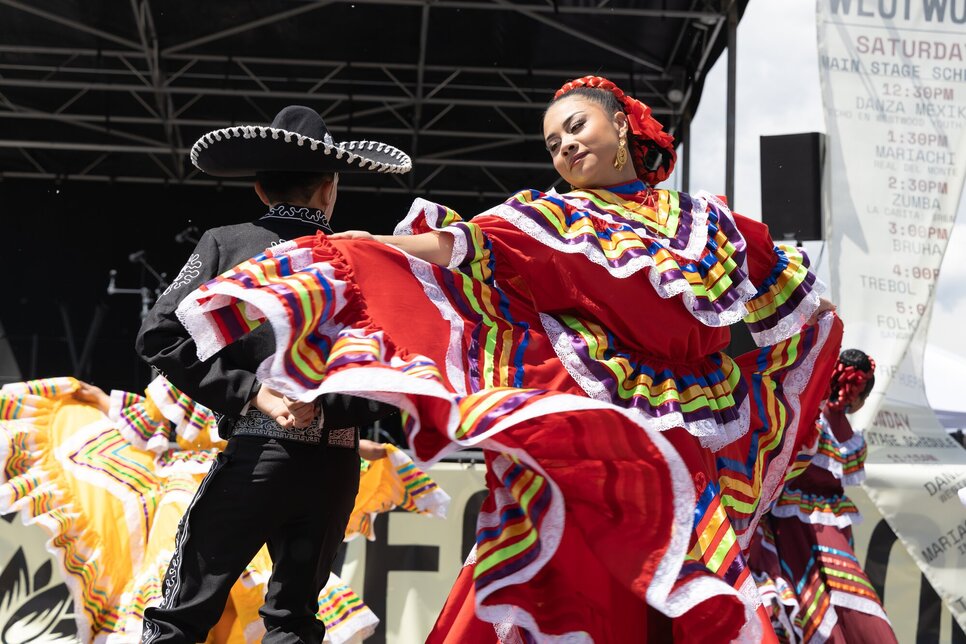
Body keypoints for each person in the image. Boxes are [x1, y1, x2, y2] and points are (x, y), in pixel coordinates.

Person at [173, 76, 844, 642]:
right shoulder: (550, 220)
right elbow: (458, 245)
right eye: (553, 142)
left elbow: (800, 308)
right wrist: (363, 247)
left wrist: (769, 396)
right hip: (592, 436)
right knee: (557, 574)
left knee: (669, 591)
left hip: (686, 439)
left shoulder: (711, 222)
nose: (567, 145)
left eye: (577, 127)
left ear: (622, 124)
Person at [134, 104, 412, 643]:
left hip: (259, 457)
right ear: (330, 189)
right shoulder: (362, 258)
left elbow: (158, 336)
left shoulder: (226, 243)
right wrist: (328, 407)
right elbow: (397, 371)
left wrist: (252, 393)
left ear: (260, 190)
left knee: (183, 613)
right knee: (294, 621)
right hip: (333, 465)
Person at [0, 375, 449, 643]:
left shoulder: (256, 368)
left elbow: (306, 419)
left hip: (246, 473)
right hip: (203, 480)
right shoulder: (207, 373)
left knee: (245, 592)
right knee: (193, 582)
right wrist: (93, 398)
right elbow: (149, 420)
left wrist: (370, 449)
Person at [750, 349, 897, 643]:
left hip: (789, 520)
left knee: (809, 595)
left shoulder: (806, 416)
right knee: (843, 593)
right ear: (855, 396)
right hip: (813, 527)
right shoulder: (839, 433)